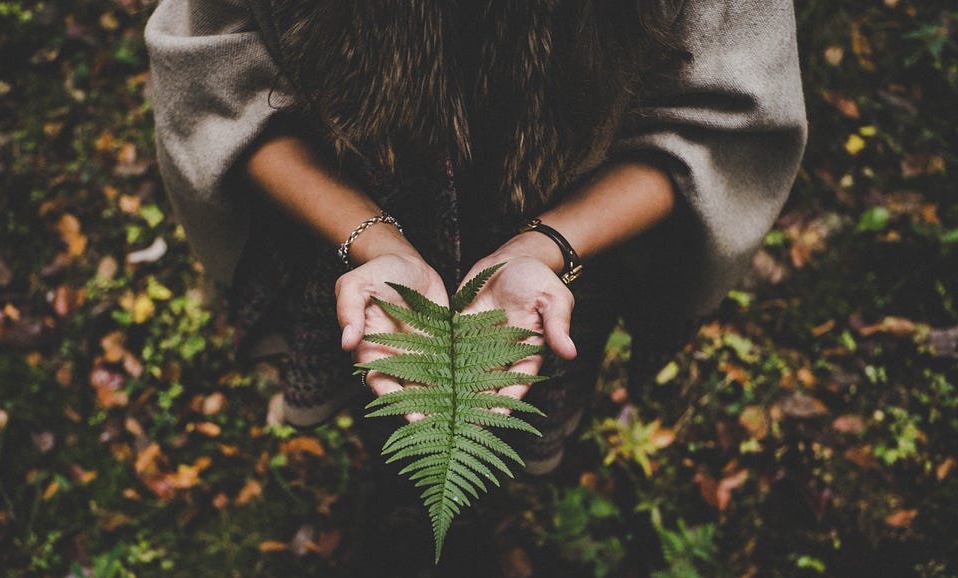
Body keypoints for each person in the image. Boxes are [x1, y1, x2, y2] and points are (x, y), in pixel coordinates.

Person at [144, 0, 807, 474]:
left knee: (521, 399)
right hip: (344, 200)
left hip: (571, 220)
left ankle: (471, 487)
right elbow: (211, 84)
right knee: (378, 385)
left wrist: (542, 246)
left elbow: (723, 119)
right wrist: (377, 242)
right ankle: (402, 474)